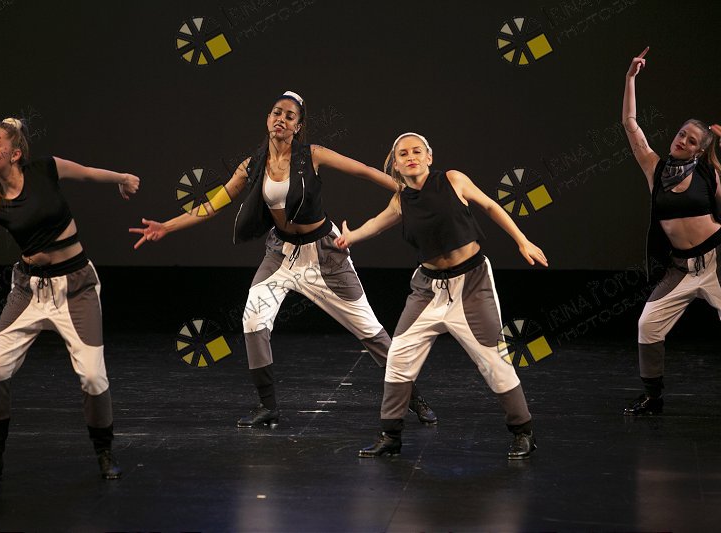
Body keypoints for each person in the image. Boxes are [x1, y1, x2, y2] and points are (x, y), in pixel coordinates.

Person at [130, 90, 437, 428]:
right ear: (268, 119)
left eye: (290, 116)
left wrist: (408, 190)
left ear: (297, 126)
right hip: (281, 254)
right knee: (253, 320)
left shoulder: (312, 155)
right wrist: (166, 226)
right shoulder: (252, 165)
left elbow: (363, 170)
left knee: (370, 330)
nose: (282, 119)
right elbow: (213, 205)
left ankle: (414, 398)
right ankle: (267, 406)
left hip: (324, 254)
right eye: (277, 113)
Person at [0, 118, 140, 481]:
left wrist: (122, 178)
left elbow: (85, 172)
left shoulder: (44, 169)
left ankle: (104, 452)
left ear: (15, 153)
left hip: (76, 287)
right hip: (28, 290)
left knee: (92, 376)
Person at [335, 132, 547, 459]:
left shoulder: (453, 180)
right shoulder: (401, 200)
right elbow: (376, 224)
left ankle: (523, 431)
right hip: (428, 289)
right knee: (399, 357)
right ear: (395, 165)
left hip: (471, 283)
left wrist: (523, 241)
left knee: (493, 359)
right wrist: (351, 237)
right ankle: (390, 435)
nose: (411, 157)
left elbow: (490, 205)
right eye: (403, 154)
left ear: (429, 157)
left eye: (417, 151)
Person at [621, 47, 721, 415]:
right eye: (681, 134)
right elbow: (630, 124)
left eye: (692, 141)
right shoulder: (655, 168)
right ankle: (653, 397)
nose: (682, 141)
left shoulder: (710, 174)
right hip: (681, 268)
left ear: (699, 150)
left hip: (716, 263)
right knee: (648, 325)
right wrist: (630, 79)